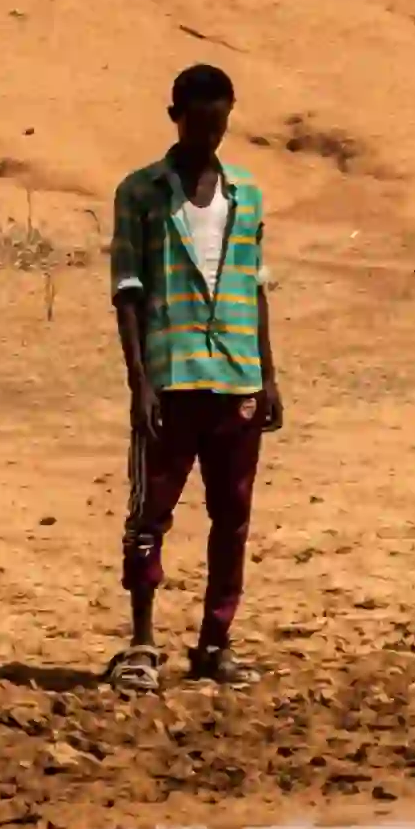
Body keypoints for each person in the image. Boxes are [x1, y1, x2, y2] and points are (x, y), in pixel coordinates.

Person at [101, 61, 277, 690]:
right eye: (198, 124)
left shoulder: (248, 194)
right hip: (171, 378)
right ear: (174, 117)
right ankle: (143, 643)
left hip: (236, 377)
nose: (209, 137)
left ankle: (215, 641)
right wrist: (138, 381)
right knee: (151, 514)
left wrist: (269, 376)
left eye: (219, 124)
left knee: (232, 518)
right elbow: (127, 289)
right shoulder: (140, 192)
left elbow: (255, 288)